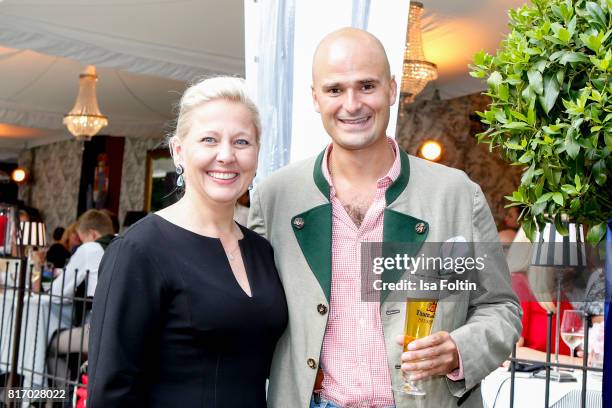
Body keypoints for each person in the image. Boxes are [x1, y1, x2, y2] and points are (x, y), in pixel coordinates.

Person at [249, 27, 522, 408]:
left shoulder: (456, 195)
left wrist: (460, 349)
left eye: (366, 86)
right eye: (334, 90)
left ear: (392, 90)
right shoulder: (275, 198)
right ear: (315, 98)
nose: (351, 104)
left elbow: (498, 307)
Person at [87, 77, 288, 407]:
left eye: (241, 142)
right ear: (179, 151)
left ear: (256, 153)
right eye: (209, 140)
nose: (226, 155)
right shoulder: (140, 250)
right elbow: (111, 392)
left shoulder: (260, 249)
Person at [46, 209, 115, 386]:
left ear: (92, 234)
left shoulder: (91, 248)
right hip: (122, 326)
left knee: (47, 343)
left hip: (97, 329)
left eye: (82, 240)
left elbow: (57, 293)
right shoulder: (121, 244)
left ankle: (66, 396)